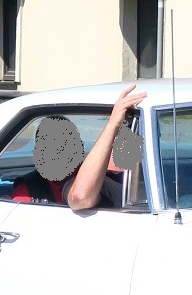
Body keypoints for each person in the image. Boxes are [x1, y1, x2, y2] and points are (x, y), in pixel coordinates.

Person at [10, 84, 146, 209]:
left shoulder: (108, 179)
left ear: (79, 148)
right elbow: (80, 197)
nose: (57, 152)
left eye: (64, 144)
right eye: (49, 146)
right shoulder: (28, 191)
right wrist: (113, 124)